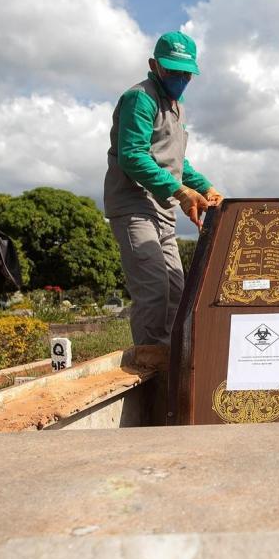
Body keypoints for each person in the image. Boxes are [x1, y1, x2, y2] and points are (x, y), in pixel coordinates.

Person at [103, 31, 223, 346]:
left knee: (176, 290)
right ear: (154, 65)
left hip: (164, 210)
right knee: (154, 288)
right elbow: (132, 156)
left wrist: (204, 186)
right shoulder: (140, 98)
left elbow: (175, 162)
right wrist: (181, 192)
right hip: (135, 206)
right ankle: (150, 364)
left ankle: (170, 359)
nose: (180, 78)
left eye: (186, 73)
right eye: (173, 70)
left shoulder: (177, 107)